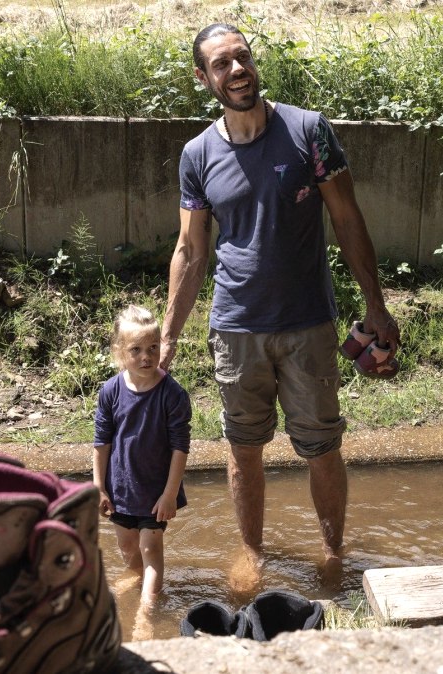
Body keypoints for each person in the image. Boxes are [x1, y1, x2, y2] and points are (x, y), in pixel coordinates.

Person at [158, 23, 402, 579]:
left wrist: (375, 305)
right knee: (243, 447)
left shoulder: (308, 131)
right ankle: (252, 555)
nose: (237, 70)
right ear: (204, 78)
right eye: (222, 64)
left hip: (308, 324)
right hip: (236, 327)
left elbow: (347, 218)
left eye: (242, 57)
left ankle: (334, 555)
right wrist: (169, 334)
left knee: (320, 447)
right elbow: (190, 250)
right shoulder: (197, 155)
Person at [94, 305, 192, 604]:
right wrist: (99, 486)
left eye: (152, 347)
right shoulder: (110, 391)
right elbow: (101, 442)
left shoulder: (172, 394)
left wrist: (170, 494)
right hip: (121, 488)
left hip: (155, 490)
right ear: (119, 351)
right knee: (127, 547)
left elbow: (180, 447)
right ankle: (137, 577)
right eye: (135, 349)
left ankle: (148, 609)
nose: (146, 356)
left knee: (151, 549)